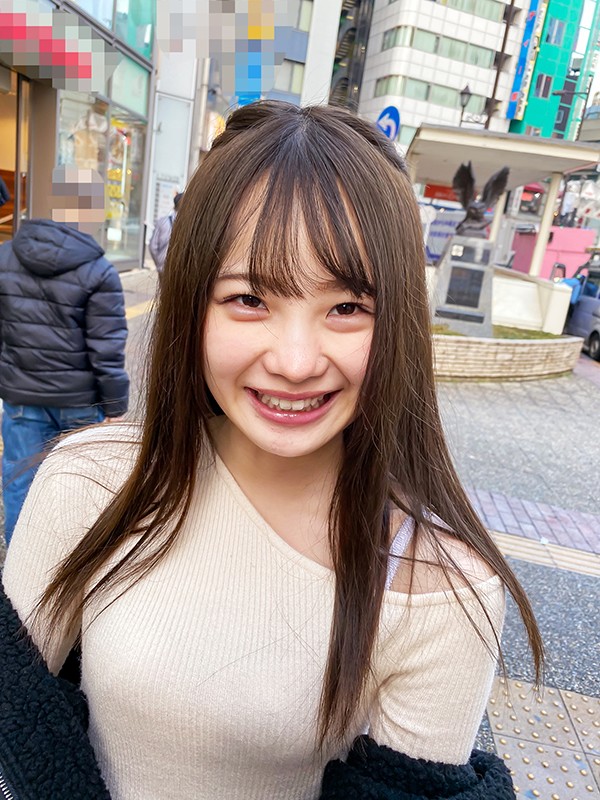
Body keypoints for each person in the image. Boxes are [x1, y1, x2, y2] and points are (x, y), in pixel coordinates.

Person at [1, 102, 543, 799]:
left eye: (347, 308)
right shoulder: (90, 481)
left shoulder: (440, 591)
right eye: (250, 299)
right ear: (192, 304)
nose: (294, 361)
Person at [0, 166, 129, 545]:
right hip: (80, 402)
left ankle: (20, 565)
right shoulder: (99, 271)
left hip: (22, 398)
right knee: (79, 483)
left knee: (20, 482)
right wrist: (115, 406)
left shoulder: (5, 256)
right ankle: (71, 561)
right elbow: (107, 348)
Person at [148, 191, 183, 272]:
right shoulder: (187, 224)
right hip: (179, 268)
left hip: (162, 266)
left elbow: (153, 246)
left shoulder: (162, 222)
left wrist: (159, 262)